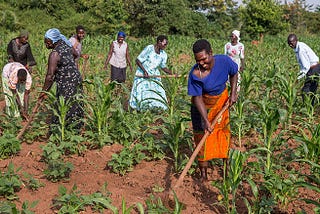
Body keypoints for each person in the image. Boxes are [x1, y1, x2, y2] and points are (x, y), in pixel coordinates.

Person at [188, 39, 238, 181]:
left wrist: (233, 93)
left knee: (222, 134)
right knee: (201, 138)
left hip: (222, 103)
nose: (202, 64)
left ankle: (226, 170)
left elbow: (234, 73)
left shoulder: (224, 61)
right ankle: (203, 174)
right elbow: (197, 98)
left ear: (211, 53)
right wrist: (205, 120)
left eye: (204, 59)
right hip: (201, 108)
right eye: (198, 61)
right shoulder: (195, 74)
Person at [39, 28, 83, 133]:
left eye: (47, 42)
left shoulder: (54, 54)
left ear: (53, 41)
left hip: (66, 82)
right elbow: (76, 54)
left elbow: (49, 76)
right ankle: (75, 128)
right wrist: (68, 64)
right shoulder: (66, 46)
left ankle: (60, 132)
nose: (46, 45)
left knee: (63, 105)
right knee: (74, 103)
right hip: (76, 78)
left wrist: (43, 92)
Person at [129, 35, 172, 110]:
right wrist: (145, 71)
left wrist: (171, 73)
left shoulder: (163, 54)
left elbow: (163, 67)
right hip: (143, 74)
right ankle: (141, 109)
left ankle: (156, 108)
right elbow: (138, 60)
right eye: (164, 44)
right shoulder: (149, 48)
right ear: (159, 42)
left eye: (166, 44)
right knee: (143, 92)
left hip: (154, 75)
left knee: (158, 92)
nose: (165, 46)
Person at [287, 34, 320, 106]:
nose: (290, 45)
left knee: (306, 91)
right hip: (314, 68)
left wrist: (297, 78)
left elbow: (306, 66)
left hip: (313, 69)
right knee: (311, 89)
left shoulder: (301, 49)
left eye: (291, 43)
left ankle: (308, 108)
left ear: (296, 41)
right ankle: (310, 107)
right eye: (289, 43)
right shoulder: (299, 46)